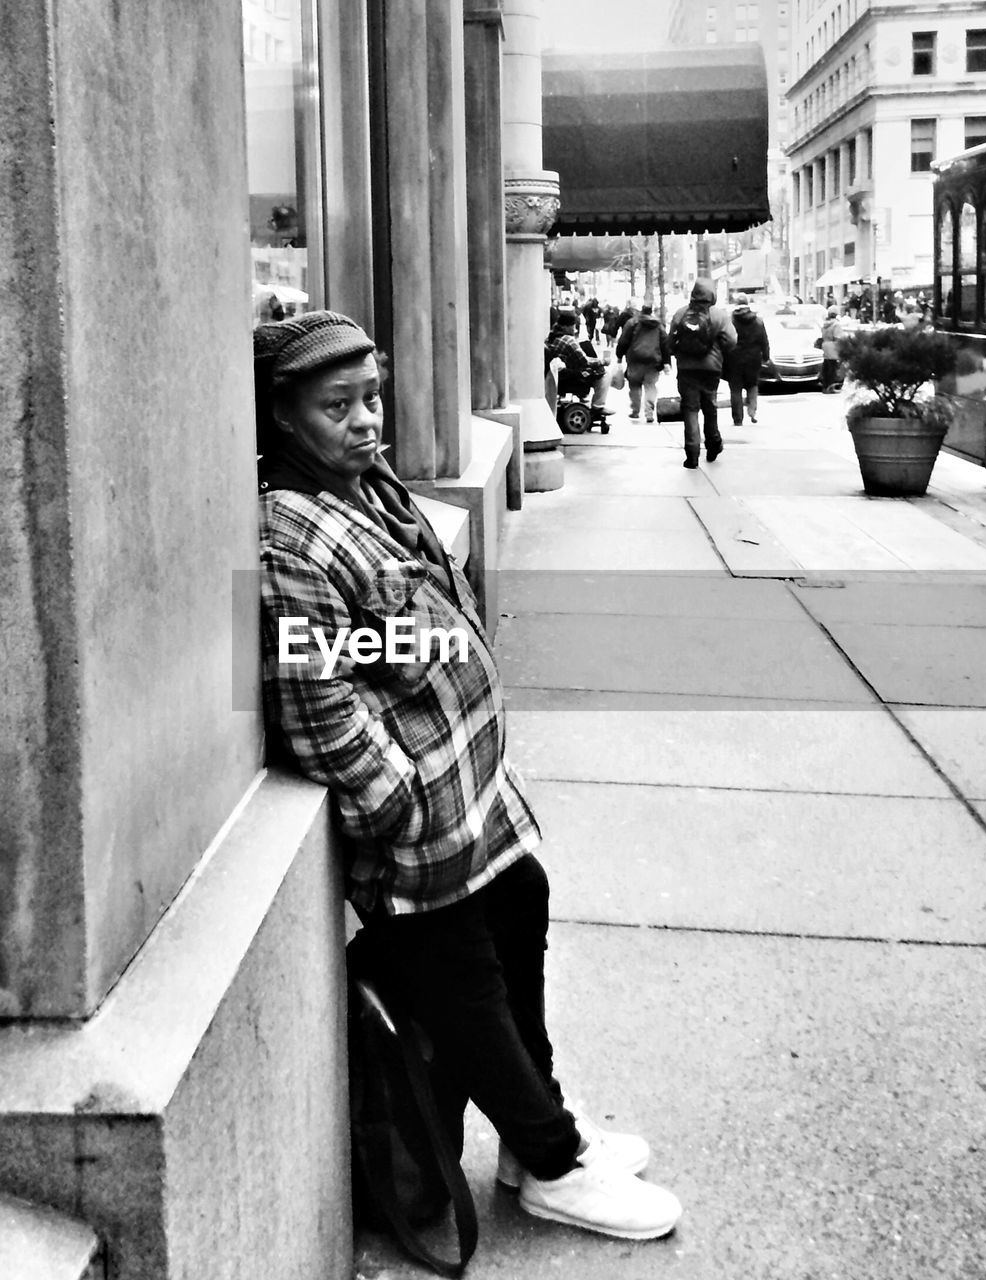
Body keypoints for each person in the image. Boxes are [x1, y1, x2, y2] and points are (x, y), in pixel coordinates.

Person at [253, 311, 683, 1247]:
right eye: (339, 406)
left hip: (473, 786)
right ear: (283, 418)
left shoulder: (367, 489)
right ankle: (556, 1165)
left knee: (523, 907)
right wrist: (396, 804)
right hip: (421, 821)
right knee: (470, 994)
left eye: (371, 397)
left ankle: (540, 1138)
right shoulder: (290, 536)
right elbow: (316, 701)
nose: (367, 420)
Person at [668, 278, 736, 468]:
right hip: (711, 369)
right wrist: (718, 350)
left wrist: (680, 354)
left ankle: (692, 454)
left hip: (686, 369)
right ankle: (713, 443)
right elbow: (731, 342)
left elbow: (670, 342)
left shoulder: (681, 314)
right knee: (709, 407)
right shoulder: (719, 316)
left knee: (690, 409)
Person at [545, 310, 613, 429]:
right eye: (573, 326)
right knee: (605, 374)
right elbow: (585, 361)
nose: (575, 329)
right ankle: (598, 406)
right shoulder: (568, 340)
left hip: (560, 375)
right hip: (572, 378)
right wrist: (603, 361)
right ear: (566, 326)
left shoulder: (551, 338)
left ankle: (587, 401)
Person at [614, 303, 668, 423]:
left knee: (634, 385)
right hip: (653, 361)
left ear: (641, 311)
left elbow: (623, 341)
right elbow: (665, 343)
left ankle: (635, 411)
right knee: (650, 386)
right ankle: (649, 412)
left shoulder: (632, 323)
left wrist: (619, 356)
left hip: (635, 360)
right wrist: (666, 362)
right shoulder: (658, 325)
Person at [723, 294, 770, 427]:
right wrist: (766, 357)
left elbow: (724, 339)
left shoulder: (730, 321)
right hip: (753, 360)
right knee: (752, 385)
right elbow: (764, 341)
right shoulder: (758, 321)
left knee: (735, 389)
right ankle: (752, 411)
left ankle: (738, 419)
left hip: (734, 360)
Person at [819, 305, 844, 393]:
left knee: (826, 367)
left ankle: (825, 386)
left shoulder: (825, 324)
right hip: (833, 346)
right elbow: (838, 337)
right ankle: (830, 387)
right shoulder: (836, 324)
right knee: (833, 368)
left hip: (825, 345)